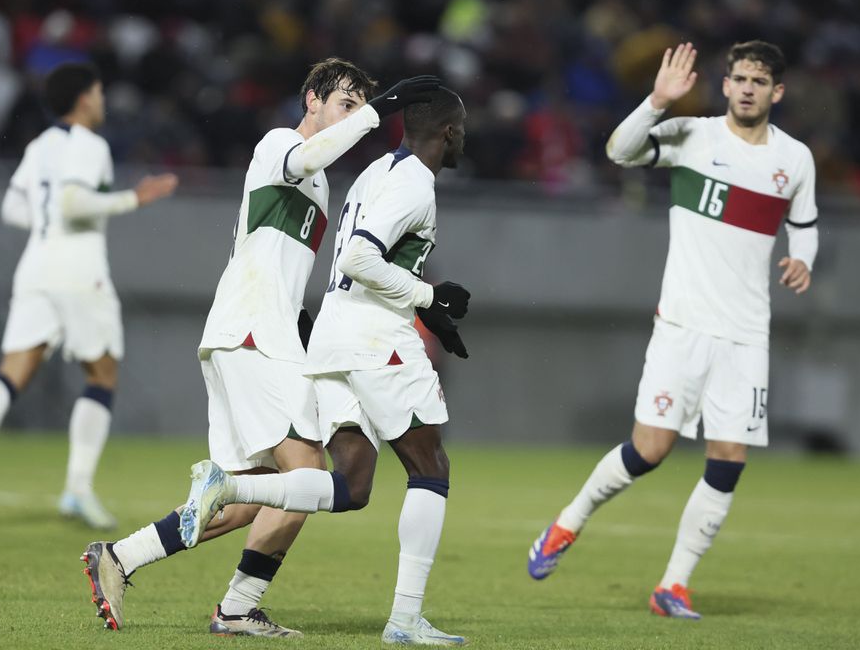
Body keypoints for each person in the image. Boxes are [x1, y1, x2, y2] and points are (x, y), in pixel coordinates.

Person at [81, 59, 441, 635]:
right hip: (252, 334)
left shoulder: (321, 185)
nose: (352, 115)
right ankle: (238, 607)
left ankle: (119, 558)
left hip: (257, 334)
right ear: (312, 100)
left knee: (249, 498)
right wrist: (381, 110)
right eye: (344, 103)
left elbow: (280, 262)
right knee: (308, 470)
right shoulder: (280, 144)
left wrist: (302, 323)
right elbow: (308, 158)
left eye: (358, 105)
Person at [526, 41, 819, 619]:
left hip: (745, 334)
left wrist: (803, 257)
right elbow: (620, 150)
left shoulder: (796, 159)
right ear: (727, 83)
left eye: (759, 81)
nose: (747, 88)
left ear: (776, 91)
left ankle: (673, 585)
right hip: (683, 325)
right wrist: (656, 101)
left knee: (729, 458)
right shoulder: (694, 135)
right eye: (739, 78)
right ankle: (566, 524)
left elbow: (805, 224)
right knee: (650, 449)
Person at [179, 87, 473, 646]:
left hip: (334, 340)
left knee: (354, 484)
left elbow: (362, 256)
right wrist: (427, 299)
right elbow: (363, 257)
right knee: (431, 467)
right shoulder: (415, 184)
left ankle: (230, 490)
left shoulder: (373, 174)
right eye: (464, 128)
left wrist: (432, 315)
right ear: (450, 133)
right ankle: (405, 620)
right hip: (376, 340)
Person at [0, 62, 178, 530]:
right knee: (102, 372)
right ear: (85, 98)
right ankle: (77, 489)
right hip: (78, 268)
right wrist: (134, 198)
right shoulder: (90, 145)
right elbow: (72, 202)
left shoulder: (39, 145)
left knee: (13, 369)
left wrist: (47, 220)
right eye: (100, 91)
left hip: (35, 266)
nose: (103, 100)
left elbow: (13, 208)